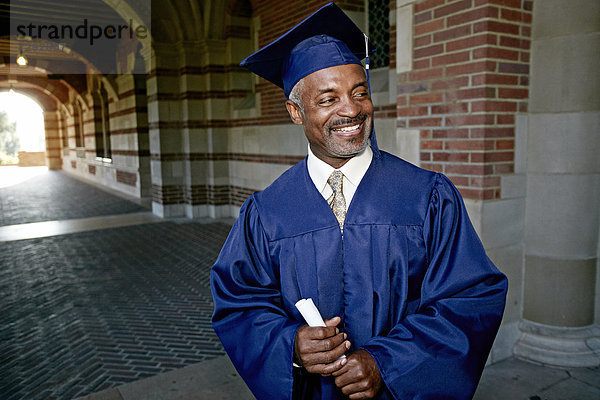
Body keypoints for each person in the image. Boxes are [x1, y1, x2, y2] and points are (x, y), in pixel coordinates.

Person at [210, 3, 507, 399]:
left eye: (359, 92)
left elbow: (470, 299)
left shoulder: (428, 196)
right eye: (328, 99)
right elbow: (239, 303)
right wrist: (291, 345)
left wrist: (389, 362)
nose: (351, 109)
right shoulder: (266, 213)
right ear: (296, 113)